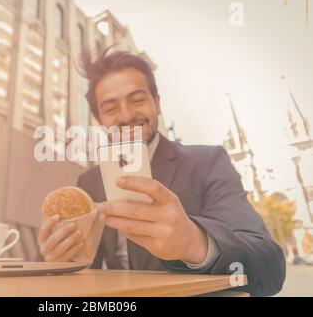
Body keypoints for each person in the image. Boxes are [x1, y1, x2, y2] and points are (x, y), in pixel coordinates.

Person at [37, 50, 286, 296]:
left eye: (137, 100)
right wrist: (60, 262)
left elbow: (270, 266)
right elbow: (87, 271)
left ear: (156, 103)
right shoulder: (89, 180)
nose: (125, 116)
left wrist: (194, 243)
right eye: (111, 108)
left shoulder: (207, 162)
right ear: (99, 118)